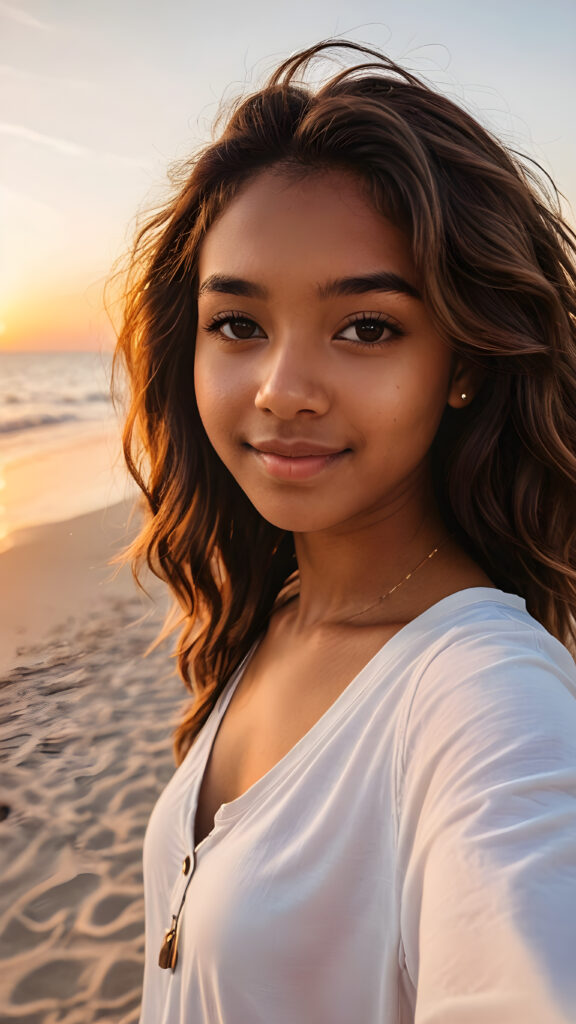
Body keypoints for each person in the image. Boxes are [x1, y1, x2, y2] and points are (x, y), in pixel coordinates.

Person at [114, 39, 576, 1024]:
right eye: (239, 325)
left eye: (366, 327)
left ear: (463, 362)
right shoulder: (275, 614)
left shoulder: (490, 702)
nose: (282, 390)